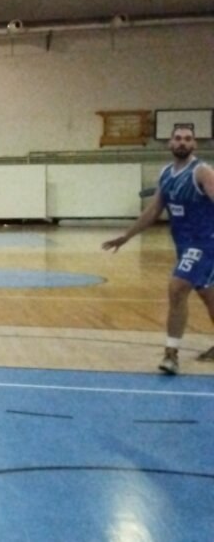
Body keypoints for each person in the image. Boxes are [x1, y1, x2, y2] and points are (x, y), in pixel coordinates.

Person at [104, 126, 214, 375]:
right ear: (170, 143)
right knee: (208, 295)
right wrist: (127, 236)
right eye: (178, 138)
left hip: (205, 242)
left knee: (177, 288)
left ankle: (171, 354)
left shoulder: (202, 172)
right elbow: (154, 210)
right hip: (184, 244)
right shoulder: (166, 173)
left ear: (195, 144)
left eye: (188, 139)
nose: (182, 142)